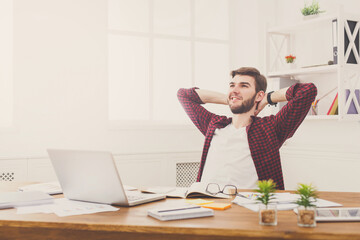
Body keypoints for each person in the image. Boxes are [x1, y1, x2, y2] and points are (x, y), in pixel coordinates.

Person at [177, 67, 317, 190]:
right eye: (232, 85)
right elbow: (184, 95)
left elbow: (307, 91)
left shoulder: (270, 128)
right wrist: (231, 98)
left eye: (244, 86)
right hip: (207, 205)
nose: (235, 90)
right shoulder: (214, 124)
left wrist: (267, 98)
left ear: (258, 95)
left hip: (249, 209)